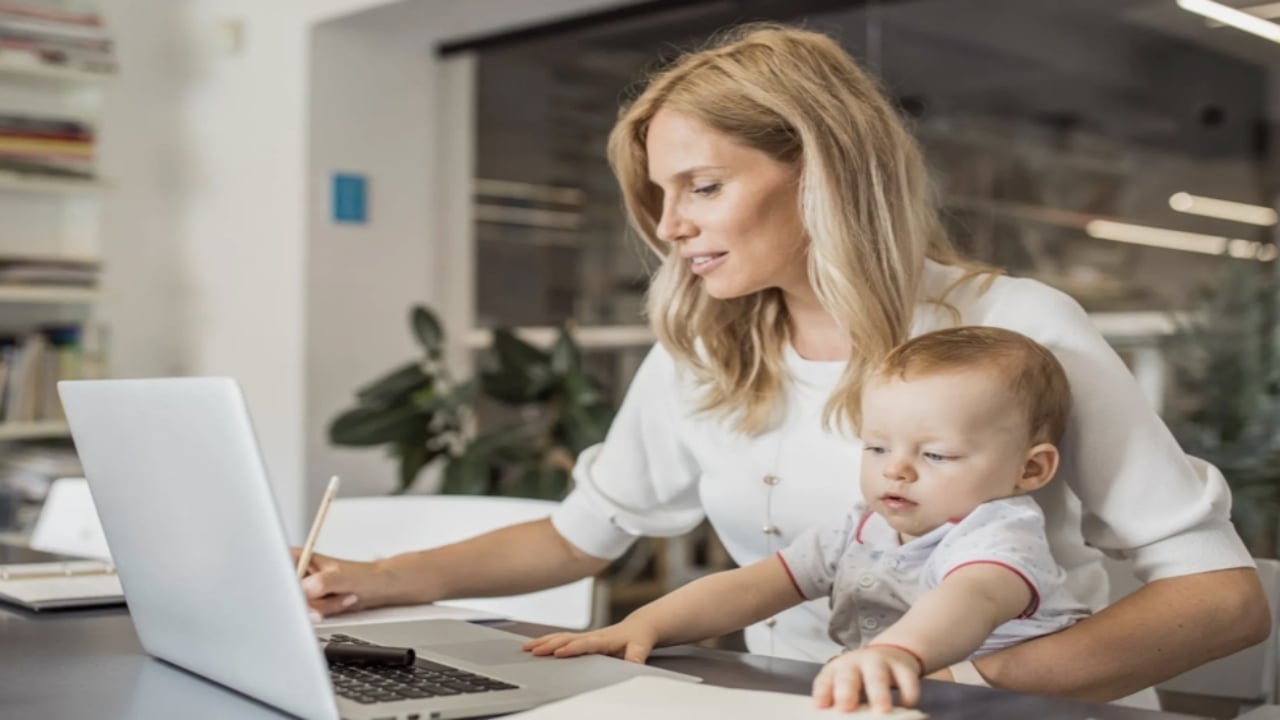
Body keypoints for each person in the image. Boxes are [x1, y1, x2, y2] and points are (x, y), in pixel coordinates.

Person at [297, 23, 1268, 702]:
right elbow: (581, 537)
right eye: (657, 197)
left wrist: (959, 683)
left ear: (819, 168)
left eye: (701, 186)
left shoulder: (1013, 330)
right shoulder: (704, 353)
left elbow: (1217, 602)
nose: (669, 227)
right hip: (791, 701)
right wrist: (373, 581)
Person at [522, 326, 1092, 713]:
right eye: (875, 448)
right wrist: (645, 625)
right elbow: (754, 587)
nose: (896, 471)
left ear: (1030, 469)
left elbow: (969, 600)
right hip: (908, 696)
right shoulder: (860, 527)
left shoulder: (1000, 532)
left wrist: (899, 654)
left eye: (935, 455)